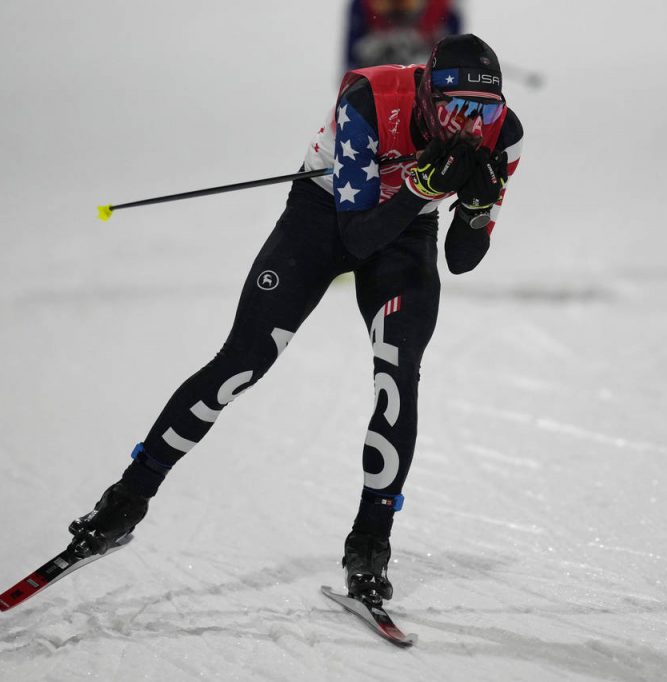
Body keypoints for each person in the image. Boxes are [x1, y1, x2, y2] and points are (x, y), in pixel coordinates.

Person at [67, 33, 524, 603]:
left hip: (407, 233)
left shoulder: (504, 137)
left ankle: (370, 542)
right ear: (429, 97)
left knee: (398, 374)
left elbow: (461, 259)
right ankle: (126, 500)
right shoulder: (370, 99)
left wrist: (476, 209)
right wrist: (417, 188)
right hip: (325, 217)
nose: (470, 126)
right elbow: (356, 238)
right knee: (243, 361)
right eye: (457, 109)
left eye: (484, 111)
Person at [344, 0, 461, 72]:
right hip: (376, 76)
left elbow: (453, 61)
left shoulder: (442, 9)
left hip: (426, 76)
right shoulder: (363, 6)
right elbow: (352, 59)